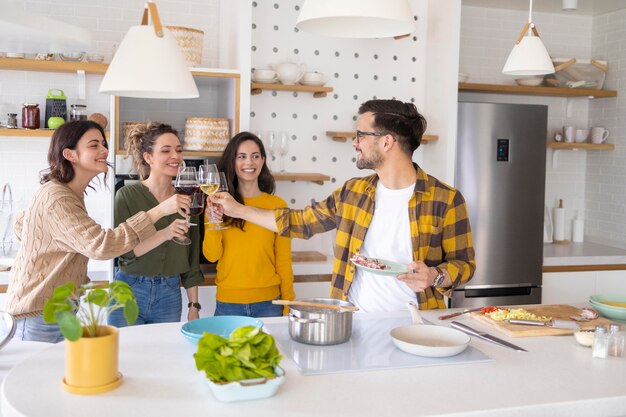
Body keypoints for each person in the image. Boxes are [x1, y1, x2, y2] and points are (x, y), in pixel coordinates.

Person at [212, 100, 476, 312]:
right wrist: (237, 210)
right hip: (354, 322)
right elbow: (299, 222)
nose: (355, 142)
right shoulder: (353, 192)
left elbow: (464, 265)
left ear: (386, 142)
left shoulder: (446, 199)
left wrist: (434, 276)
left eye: (361, 135)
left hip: (417, 324)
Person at [6, 121, 191, 343]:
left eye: (103, 144)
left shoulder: (63, 194)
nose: (104, 150)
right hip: (39, 315)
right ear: (70, 154)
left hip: (53, 311)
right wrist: (158, 212)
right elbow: (101, 246)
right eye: (94, 145)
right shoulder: (57, 197)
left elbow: (21, 223)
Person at [108, 123, 203, 327]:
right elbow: (126, 252)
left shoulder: (188, 198)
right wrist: (166, 233)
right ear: (148, 157)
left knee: (163, 357)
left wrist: (194, 305)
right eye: (166, 150)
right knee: (123, 356)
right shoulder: (126, 196)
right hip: (129, 289)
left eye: (178, 150)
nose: (175, 156)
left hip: (170, 293)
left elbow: (192, 259)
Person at [203, 132, 295, 317]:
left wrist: (288, 303)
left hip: (270, 303)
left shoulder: (277, 205)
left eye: (255, 156)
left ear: (262, 160)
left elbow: (283, 260)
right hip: (229, 303)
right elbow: (212, 256)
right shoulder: (219, 202)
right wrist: (213, 221)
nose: (249, 163)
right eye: (242, 157)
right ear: (233, 161)